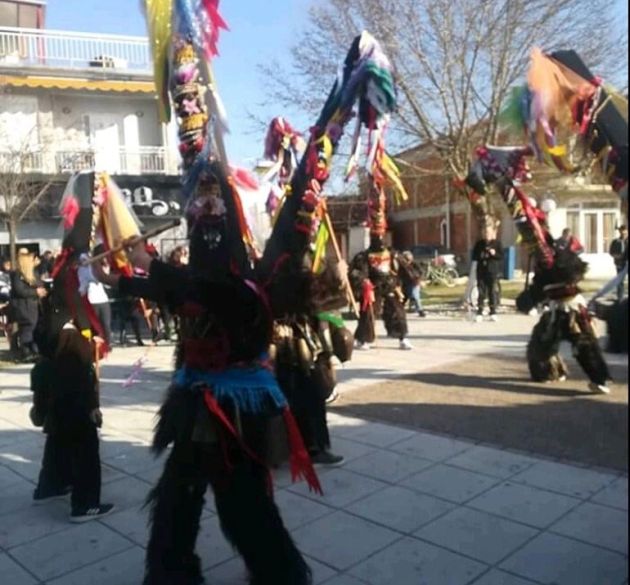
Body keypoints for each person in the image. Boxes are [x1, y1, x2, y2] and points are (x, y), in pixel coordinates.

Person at [30, 271, 114, 522]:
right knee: (85, 450)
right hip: (73, 399)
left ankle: (51, 485)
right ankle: (85, 504)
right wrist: (93, 406)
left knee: (57, 441)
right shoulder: (71, 335)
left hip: (54, 396)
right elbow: (81, 376)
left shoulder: (50, 320)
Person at [10, 248, 47, 361]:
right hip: (24, 307)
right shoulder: (17, 274)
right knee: (27, 328)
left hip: (33, 306)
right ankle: (26, 352)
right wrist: (35, 292)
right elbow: (19, 290)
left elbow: (38, 283)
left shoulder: (32, 273)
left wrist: (42, 289)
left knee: (34, 328)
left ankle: (34, 350)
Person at [472, 225, 504, 322]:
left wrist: (494, 253)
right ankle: (480, 312)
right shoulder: (479, 244)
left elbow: (501, 256)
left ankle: (493, 312)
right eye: (485, 232)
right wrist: (481, 254)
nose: (487, 235)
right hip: (481, 270)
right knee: (481, 291)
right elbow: (474, 257)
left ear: (493, 233)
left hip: (492, 271)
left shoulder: (497, 244)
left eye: (489, 233)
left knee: (492, 291)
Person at [399, 251, 426, 317]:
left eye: (409, 259)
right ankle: (399, 310)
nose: (408, 260)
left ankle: (420, 310)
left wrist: (420, 280)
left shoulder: (415, 264)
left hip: (414, 283)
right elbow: (400, 275)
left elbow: (421, 272)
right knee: (404, 297)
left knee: (415, 296)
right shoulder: (402, 266)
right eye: (406, 259)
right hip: (405, 283)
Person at [609, 224, 628, 300]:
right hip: (620, 264)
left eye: (625, 232)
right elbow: (611, 252)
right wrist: (617, 257)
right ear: (620, 232)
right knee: (620, 282)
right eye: (622, 232)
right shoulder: (615, 242)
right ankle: (620, 299)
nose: (623, 234)